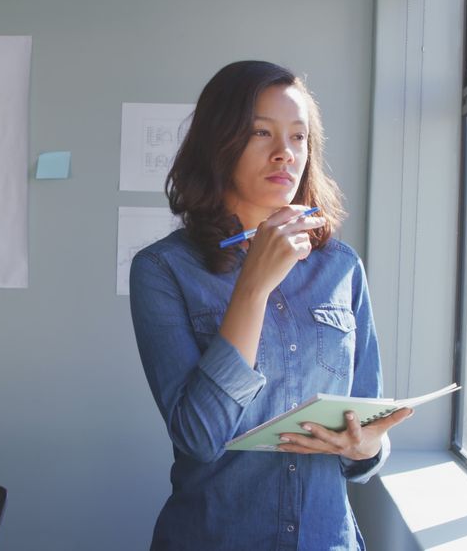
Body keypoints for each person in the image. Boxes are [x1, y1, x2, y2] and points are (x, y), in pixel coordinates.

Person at [129, 60, 412, 551]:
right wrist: (253, 287)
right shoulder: (162, 270)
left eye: (299, 137)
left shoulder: (341, 267)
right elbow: (199, 437)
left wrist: (367, 449)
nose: (285, 153)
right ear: (219, 143)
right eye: (262, 132)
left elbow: (364, 426)